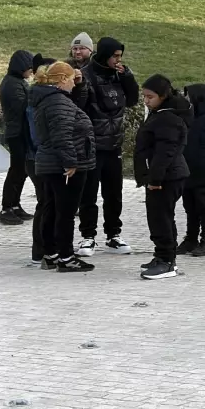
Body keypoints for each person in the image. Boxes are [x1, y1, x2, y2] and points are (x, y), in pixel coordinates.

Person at [29, 62, 95, 273]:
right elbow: (62, 135)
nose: (74, 85)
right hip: (63, 166)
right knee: (65, 213)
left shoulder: (48, 99)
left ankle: (51, 254)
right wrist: (71, 162)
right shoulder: (58, 101)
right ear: (62, 80)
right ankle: (66, 257)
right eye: (71, 80)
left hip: (49, 163)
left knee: (52, 209)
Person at [77, 37, 138, 257]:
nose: (118, 60)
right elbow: (80, 106)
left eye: (120, 56)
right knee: (89, 193)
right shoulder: (85, 74)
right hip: (92, 145)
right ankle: (88, 236)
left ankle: (113, 235)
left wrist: (127, 77)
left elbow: (132, 100)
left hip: (114, 144)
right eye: (115, 56)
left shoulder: (120, 74)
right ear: (104, 55)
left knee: (114, 193)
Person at [134, 75, 191, 280]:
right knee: (159, 217)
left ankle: (167, 261)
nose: (146, 101)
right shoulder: (160, 114)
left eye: (150, 97)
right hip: (163, 175)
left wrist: (155, 179)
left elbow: (165, 151)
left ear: (163, 96)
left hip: (167, 177)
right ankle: (162, 255)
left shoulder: (168, 118)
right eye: (144, 97)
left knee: (161, 218)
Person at [178, 84, 205, 256]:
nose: (186, 98)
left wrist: (200, 166)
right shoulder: (187, 116)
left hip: (202, 171)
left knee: (204, 206)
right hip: (187, 170)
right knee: (190, 206)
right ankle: (191, 238)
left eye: (189, 96)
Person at [0, 50, 35, 225]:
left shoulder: (17, 81)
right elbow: (23, 107)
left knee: (22, 171)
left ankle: (15, 205)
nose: (31, 71)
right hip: (16, 133)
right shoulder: (13, 84)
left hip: (19, 132)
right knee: (16, 170)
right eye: (30, 67)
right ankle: (6, 207)